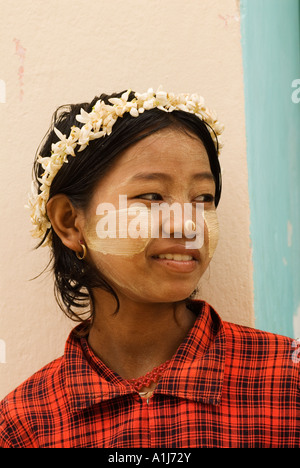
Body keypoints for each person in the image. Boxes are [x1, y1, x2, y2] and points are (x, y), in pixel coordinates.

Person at [0, 88, 299, 448]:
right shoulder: (24, 425)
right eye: (152, 197)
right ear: (70, 222)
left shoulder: (289, 381)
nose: (187, 225)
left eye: (202, 198)